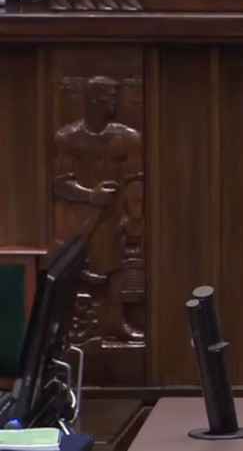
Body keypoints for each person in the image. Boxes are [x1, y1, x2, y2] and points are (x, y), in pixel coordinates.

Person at [53, 76, 145, 344]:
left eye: (115, 97)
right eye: (108, 97)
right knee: (74, 269)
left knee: (117, 269)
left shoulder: (128, 138)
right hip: (77, 217)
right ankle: (67, 327)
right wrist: (90, 195)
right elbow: (60, 183)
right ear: (92, 100)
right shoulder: (68, 138)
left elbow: (136, 180)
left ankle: (114, 323)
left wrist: (135, 216)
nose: (114, 103)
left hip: (114, 216)